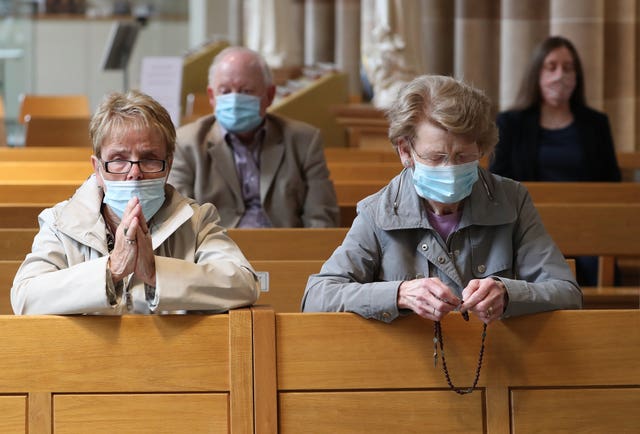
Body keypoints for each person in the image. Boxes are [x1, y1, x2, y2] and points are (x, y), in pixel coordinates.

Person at [302, 75, 582, 324]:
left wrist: (508, 293)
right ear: (405, 151)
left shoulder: (512, 200)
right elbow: (317, 297)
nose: (449, 170)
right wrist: (398, 294)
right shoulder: (378, 212)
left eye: (463, 157)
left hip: (498, 365)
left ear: (481, 148)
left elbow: (567, 292)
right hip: (409, 366)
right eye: (436, 157)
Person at [11, 90, 260, 315]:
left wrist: (155, 273)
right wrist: (112, 269)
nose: (134, 173)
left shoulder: (196, 220)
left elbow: (244, 284)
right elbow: (25, 297)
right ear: (98, 169)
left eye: (149, 159)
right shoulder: (61, 222)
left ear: (168, 165)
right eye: (119, 158)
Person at [490, 36, 621, 285]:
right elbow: (498, 183)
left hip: (588, 226)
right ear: (537, 74)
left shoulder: (595, 124)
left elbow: (610, 183)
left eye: (568, 67)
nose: (560, 75)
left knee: (593, 265)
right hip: (529, 225)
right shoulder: (511, 123)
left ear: (577, 75)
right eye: (551, 67)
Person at [168, 46, 340, 228]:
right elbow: (179, 221)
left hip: (285, 251)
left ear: (270, 95)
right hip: (213, 252)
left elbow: (321, 219)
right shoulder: (186, 143)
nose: (234, 100)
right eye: (225, 91)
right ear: (212, 96)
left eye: (246, 91)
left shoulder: (304, 141)